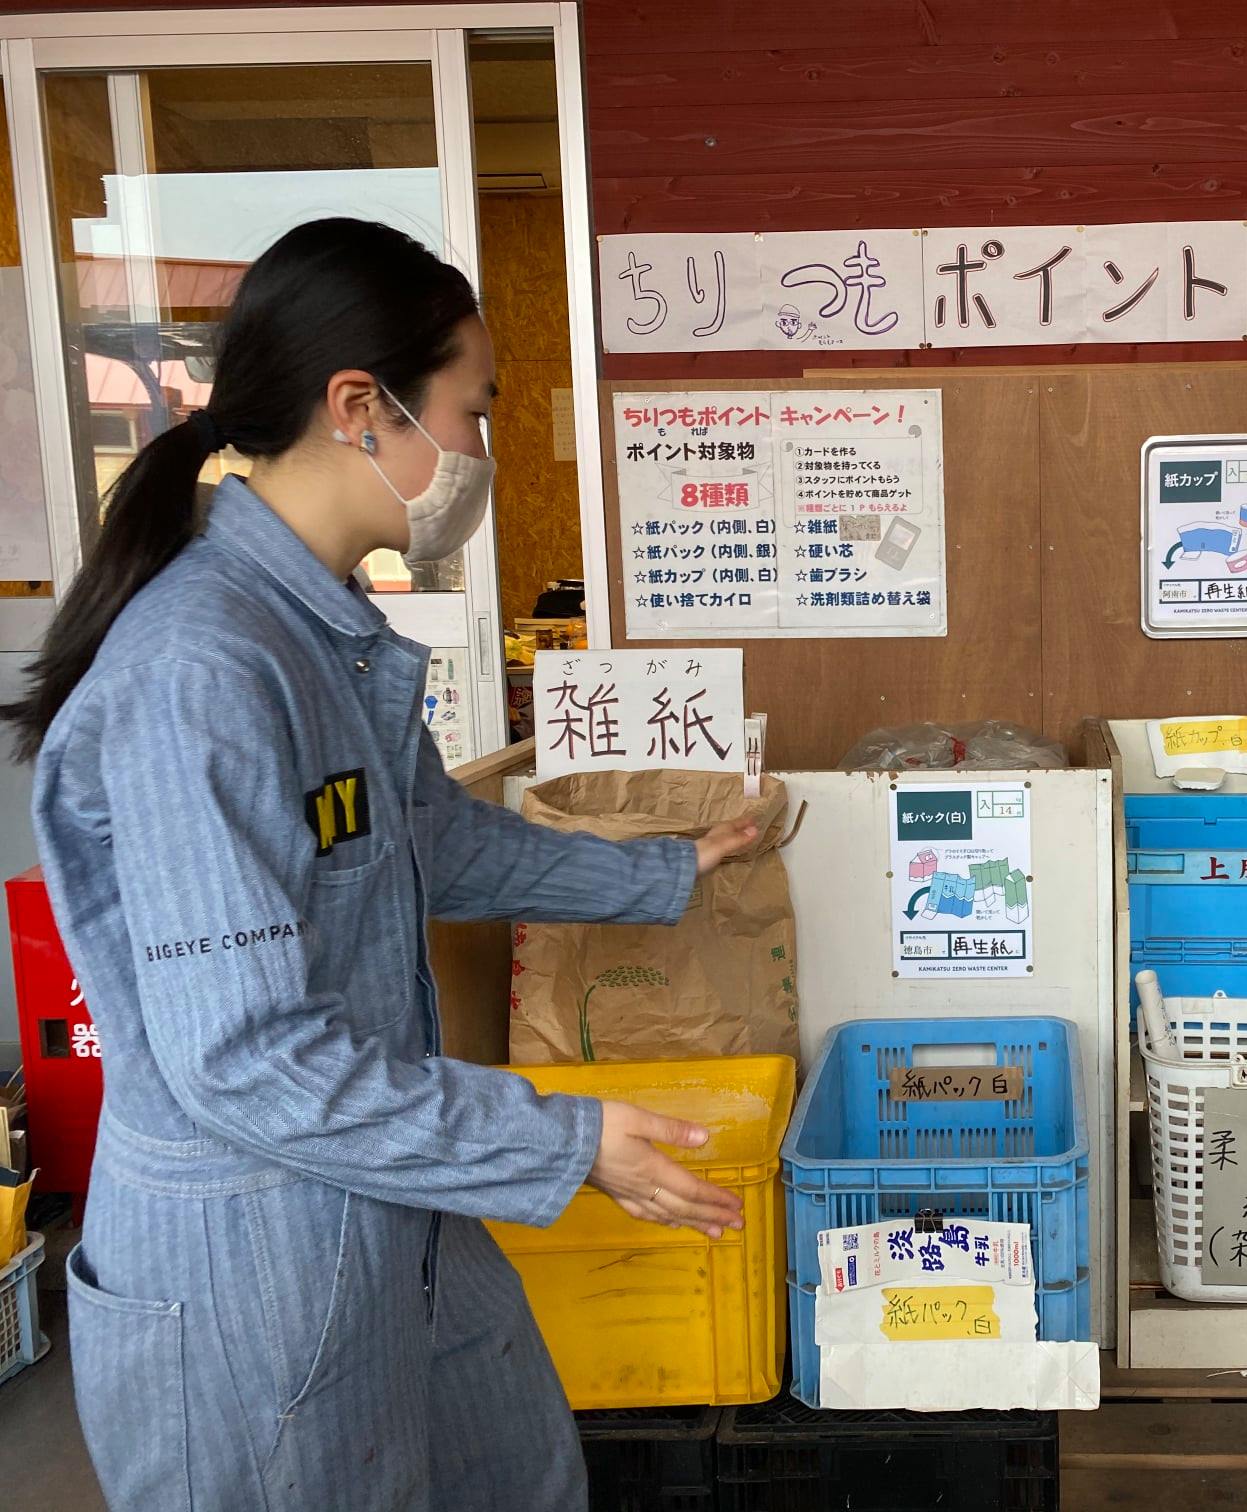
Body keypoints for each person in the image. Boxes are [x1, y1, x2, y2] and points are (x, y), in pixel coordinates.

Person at [1, 217, 757, 1511]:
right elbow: (242, 1056)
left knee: (516, 1471)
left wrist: (665, 873)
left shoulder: (326, 635)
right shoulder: (204, 673)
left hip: (390, 1197)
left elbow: (431, 841)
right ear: (363, 408)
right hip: (254, 1256)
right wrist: (567, 1141)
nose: (476, 453)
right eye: (471, 412)